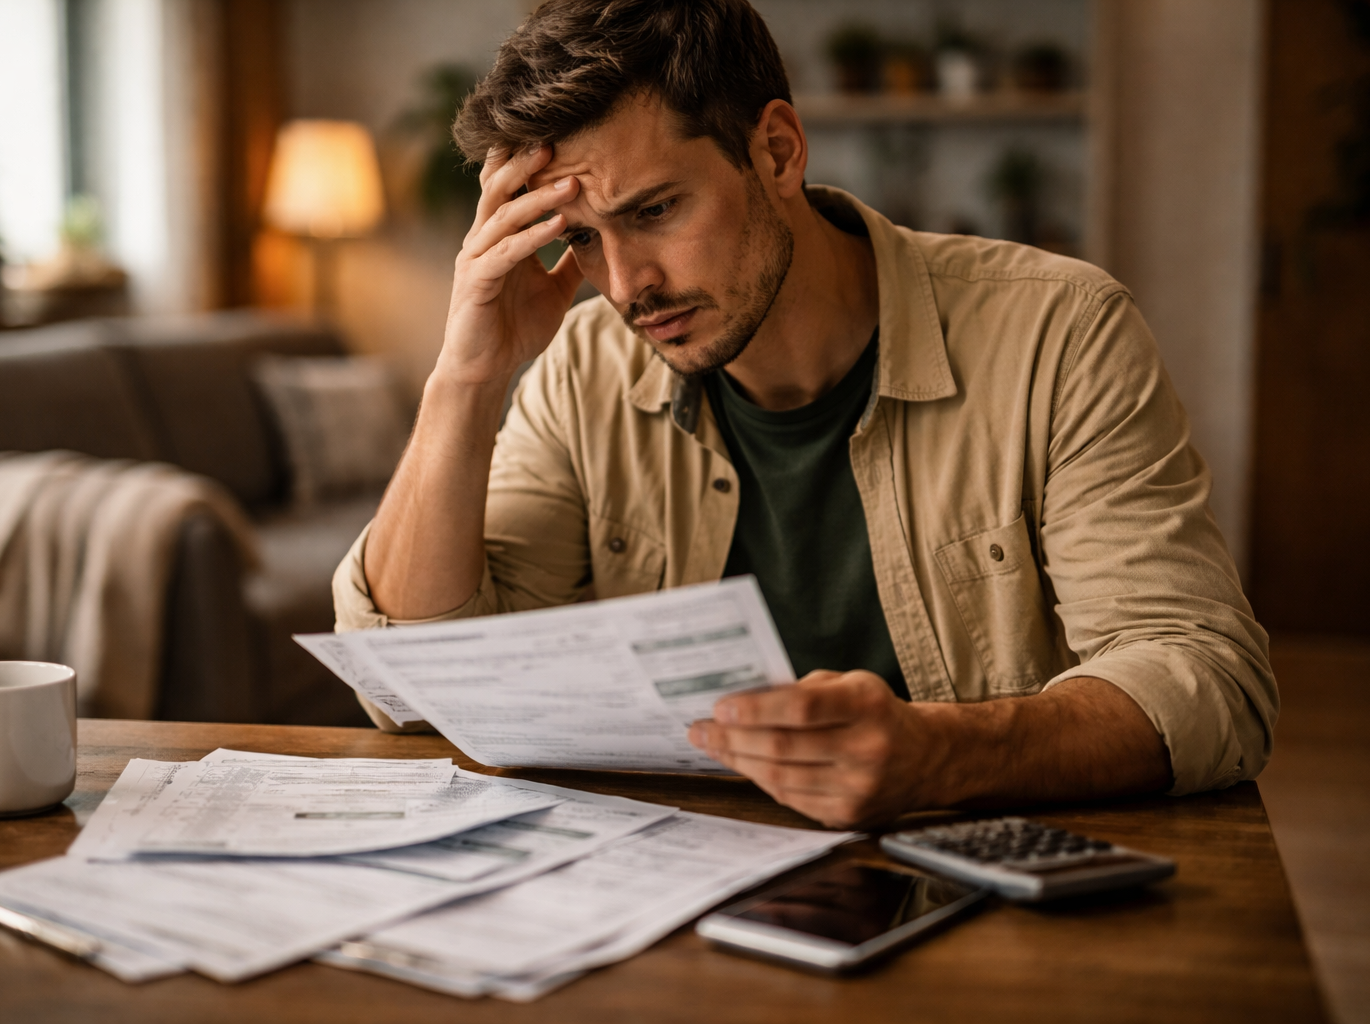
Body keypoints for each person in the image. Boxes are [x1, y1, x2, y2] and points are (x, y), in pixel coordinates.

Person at [333, 0, 1276, 828]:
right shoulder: (585, 367)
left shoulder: (1058, 330)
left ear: (776, 150)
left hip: (979, 883)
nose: (625, 286)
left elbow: (1203, 677)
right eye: (581, 239)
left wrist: (940, 752)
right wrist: (466, 377)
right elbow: (419, 685)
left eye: (656, 209)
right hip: (675, 899)